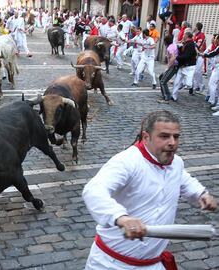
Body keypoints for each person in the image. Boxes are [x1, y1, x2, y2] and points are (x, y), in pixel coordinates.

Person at [82, 110, 217, 270]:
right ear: (146, 137)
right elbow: (94, 190)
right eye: (164, 136)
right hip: (110, 264)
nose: (172, 142)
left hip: (153, 265)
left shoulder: (176, 163)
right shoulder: (126, 161)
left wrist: (201, 194)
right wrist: (121, 217)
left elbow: (184, 180)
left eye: (176, 136)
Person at [171, 32, 197, 101]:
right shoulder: (185, 43)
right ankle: (174, 96)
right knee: (176, 82)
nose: (183, 36)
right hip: (182, 66)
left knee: (188, 84)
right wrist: (179, 48)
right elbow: (183, 51)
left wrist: (176, 57)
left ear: (187, 36)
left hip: (189, 67)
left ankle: (187, 85)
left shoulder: (191, 44)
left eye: (184, 35)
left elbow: (186, 56)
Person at [158, 35, 179, 103]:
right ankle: (166, 95)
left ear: (165, 41)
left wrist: (168, 67)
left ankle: (166, 97)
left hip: (173, 66)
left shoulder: (169, 48)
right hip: (174, 65)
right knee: (161, 77)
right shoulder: (173, 45)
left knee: (163, 81)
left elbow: (173, 57)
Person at [203, 34, 219, 112]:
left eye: (216, 38)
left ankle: (212, 101)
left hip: (217, 69)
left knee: (212, 83)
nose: (215, 40)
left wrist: (204, 55)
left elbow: (212, 53)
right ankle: (217, 104)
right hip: (216, 68)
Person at [192, 22, 206, 92]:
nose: (193, 27)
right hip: (196, 55)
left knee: (198, 71)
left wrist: (193, 44)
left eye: (194, 26)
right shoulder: (195, 35)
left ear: (197, 27)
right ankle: (196, 86)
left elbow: (198, 45)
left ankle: (200, 85)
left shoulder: (201, 35)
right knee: (196, 71)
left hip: (200, 55)